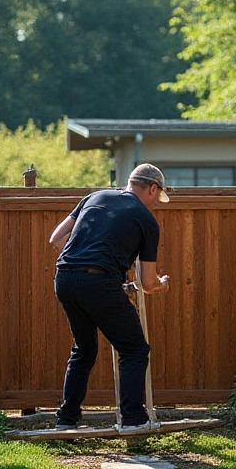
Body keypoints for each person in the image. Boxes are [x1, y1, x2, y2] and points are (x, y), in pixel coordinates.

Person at [48, 163, 171, 431]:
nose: (156, 205)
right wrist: (162, 285)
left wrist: (113, 277)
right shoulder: (146, 219)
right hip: (98, 282)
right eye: (157, 198)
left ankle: (66, 420)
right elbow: (148, 283)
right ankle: (133, 419)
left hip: (65, 278)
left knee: (84, 349)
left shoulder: (95, 197)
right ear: (152, 188)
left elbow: (57, 240)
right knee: (134, 349)